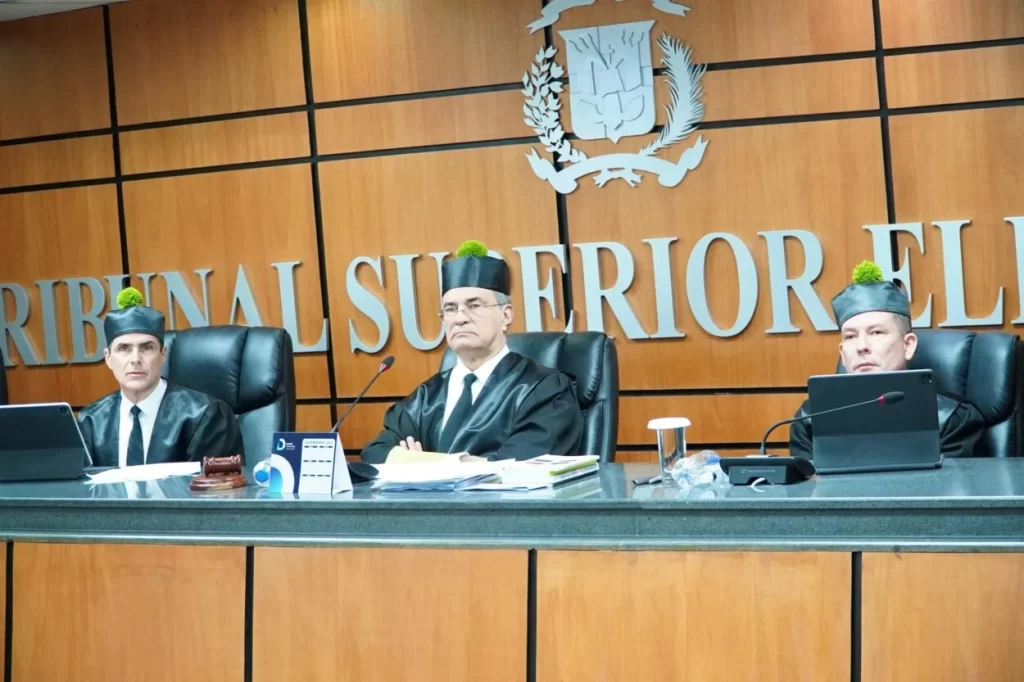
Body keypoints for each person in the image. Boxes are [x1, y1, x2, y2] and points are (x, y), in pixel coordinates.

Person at [361, 240, 584, 463]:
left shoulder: (543, 390)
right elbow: (376, 453)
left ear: (506, 315)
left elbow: (517, 466)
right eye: (450, 309)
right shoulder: (427, 396)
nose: (460, 318)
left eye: (474, 306)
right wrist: (462, 463)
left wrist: (422, 464)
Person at [789, 262, 986, 459]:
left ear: (908, 345)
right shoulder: (811, 419)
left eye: (876, 332)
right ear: (842, 352)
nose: (861, 346)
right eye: (850, 336)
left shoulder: (950, 417)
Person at [78, 288, 243, 467]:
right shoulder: (91, 420)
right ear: (108, 358)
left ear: (163, 354)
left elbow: (215, 483)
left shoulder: (206, 415)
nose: (135, 359)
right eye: (124, 348)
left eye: (147, 348)